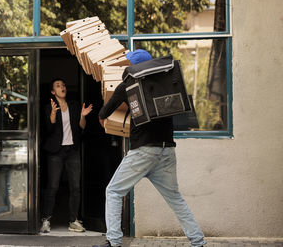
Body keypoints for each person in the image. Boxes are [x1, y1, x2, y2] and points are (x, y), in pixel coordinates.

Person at [93, 50, 206, 247]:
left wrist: (103, 119)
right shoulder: (165, 83)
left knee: (113, 191)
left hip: (143, 150)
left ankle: (113, 241)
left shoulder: (129, 83)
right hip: (167, 150)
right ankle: (198, 241)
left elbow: (106, 110)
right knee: (175, 198)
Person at [41, 78, 93, 233]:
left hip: (72, 150)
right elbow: (49, 129)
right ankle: (46, 219)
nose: (62, 87)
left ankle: (73, 221)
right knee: (53, 186)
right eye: (58, 85)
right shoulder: (48, 107)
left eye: (63, 85)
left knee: (75, 187)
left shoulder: (74, 106)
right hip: (56, 152)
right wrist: (52, 113)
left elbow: (81, 128)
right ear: (53, 91)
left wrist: (83, 116)